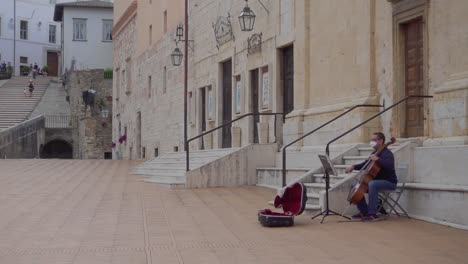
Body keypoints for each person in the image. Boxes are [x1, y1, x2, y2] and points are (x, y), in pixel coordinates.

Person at [345, 132, 398, 221]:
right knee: (356, 184)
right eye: (371, 140)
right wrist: (353, 167)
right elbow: (365, 164)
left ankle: (372, 214)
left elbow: (390, 166)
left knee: (372, 184)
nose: (371, 142)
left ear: (381, 141)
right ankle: (364, 211)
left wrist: (378, 159)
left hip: (389, 182)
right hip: (376, 181)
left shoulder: (387, 154)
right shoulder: (375, 152)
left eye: (374, 140)